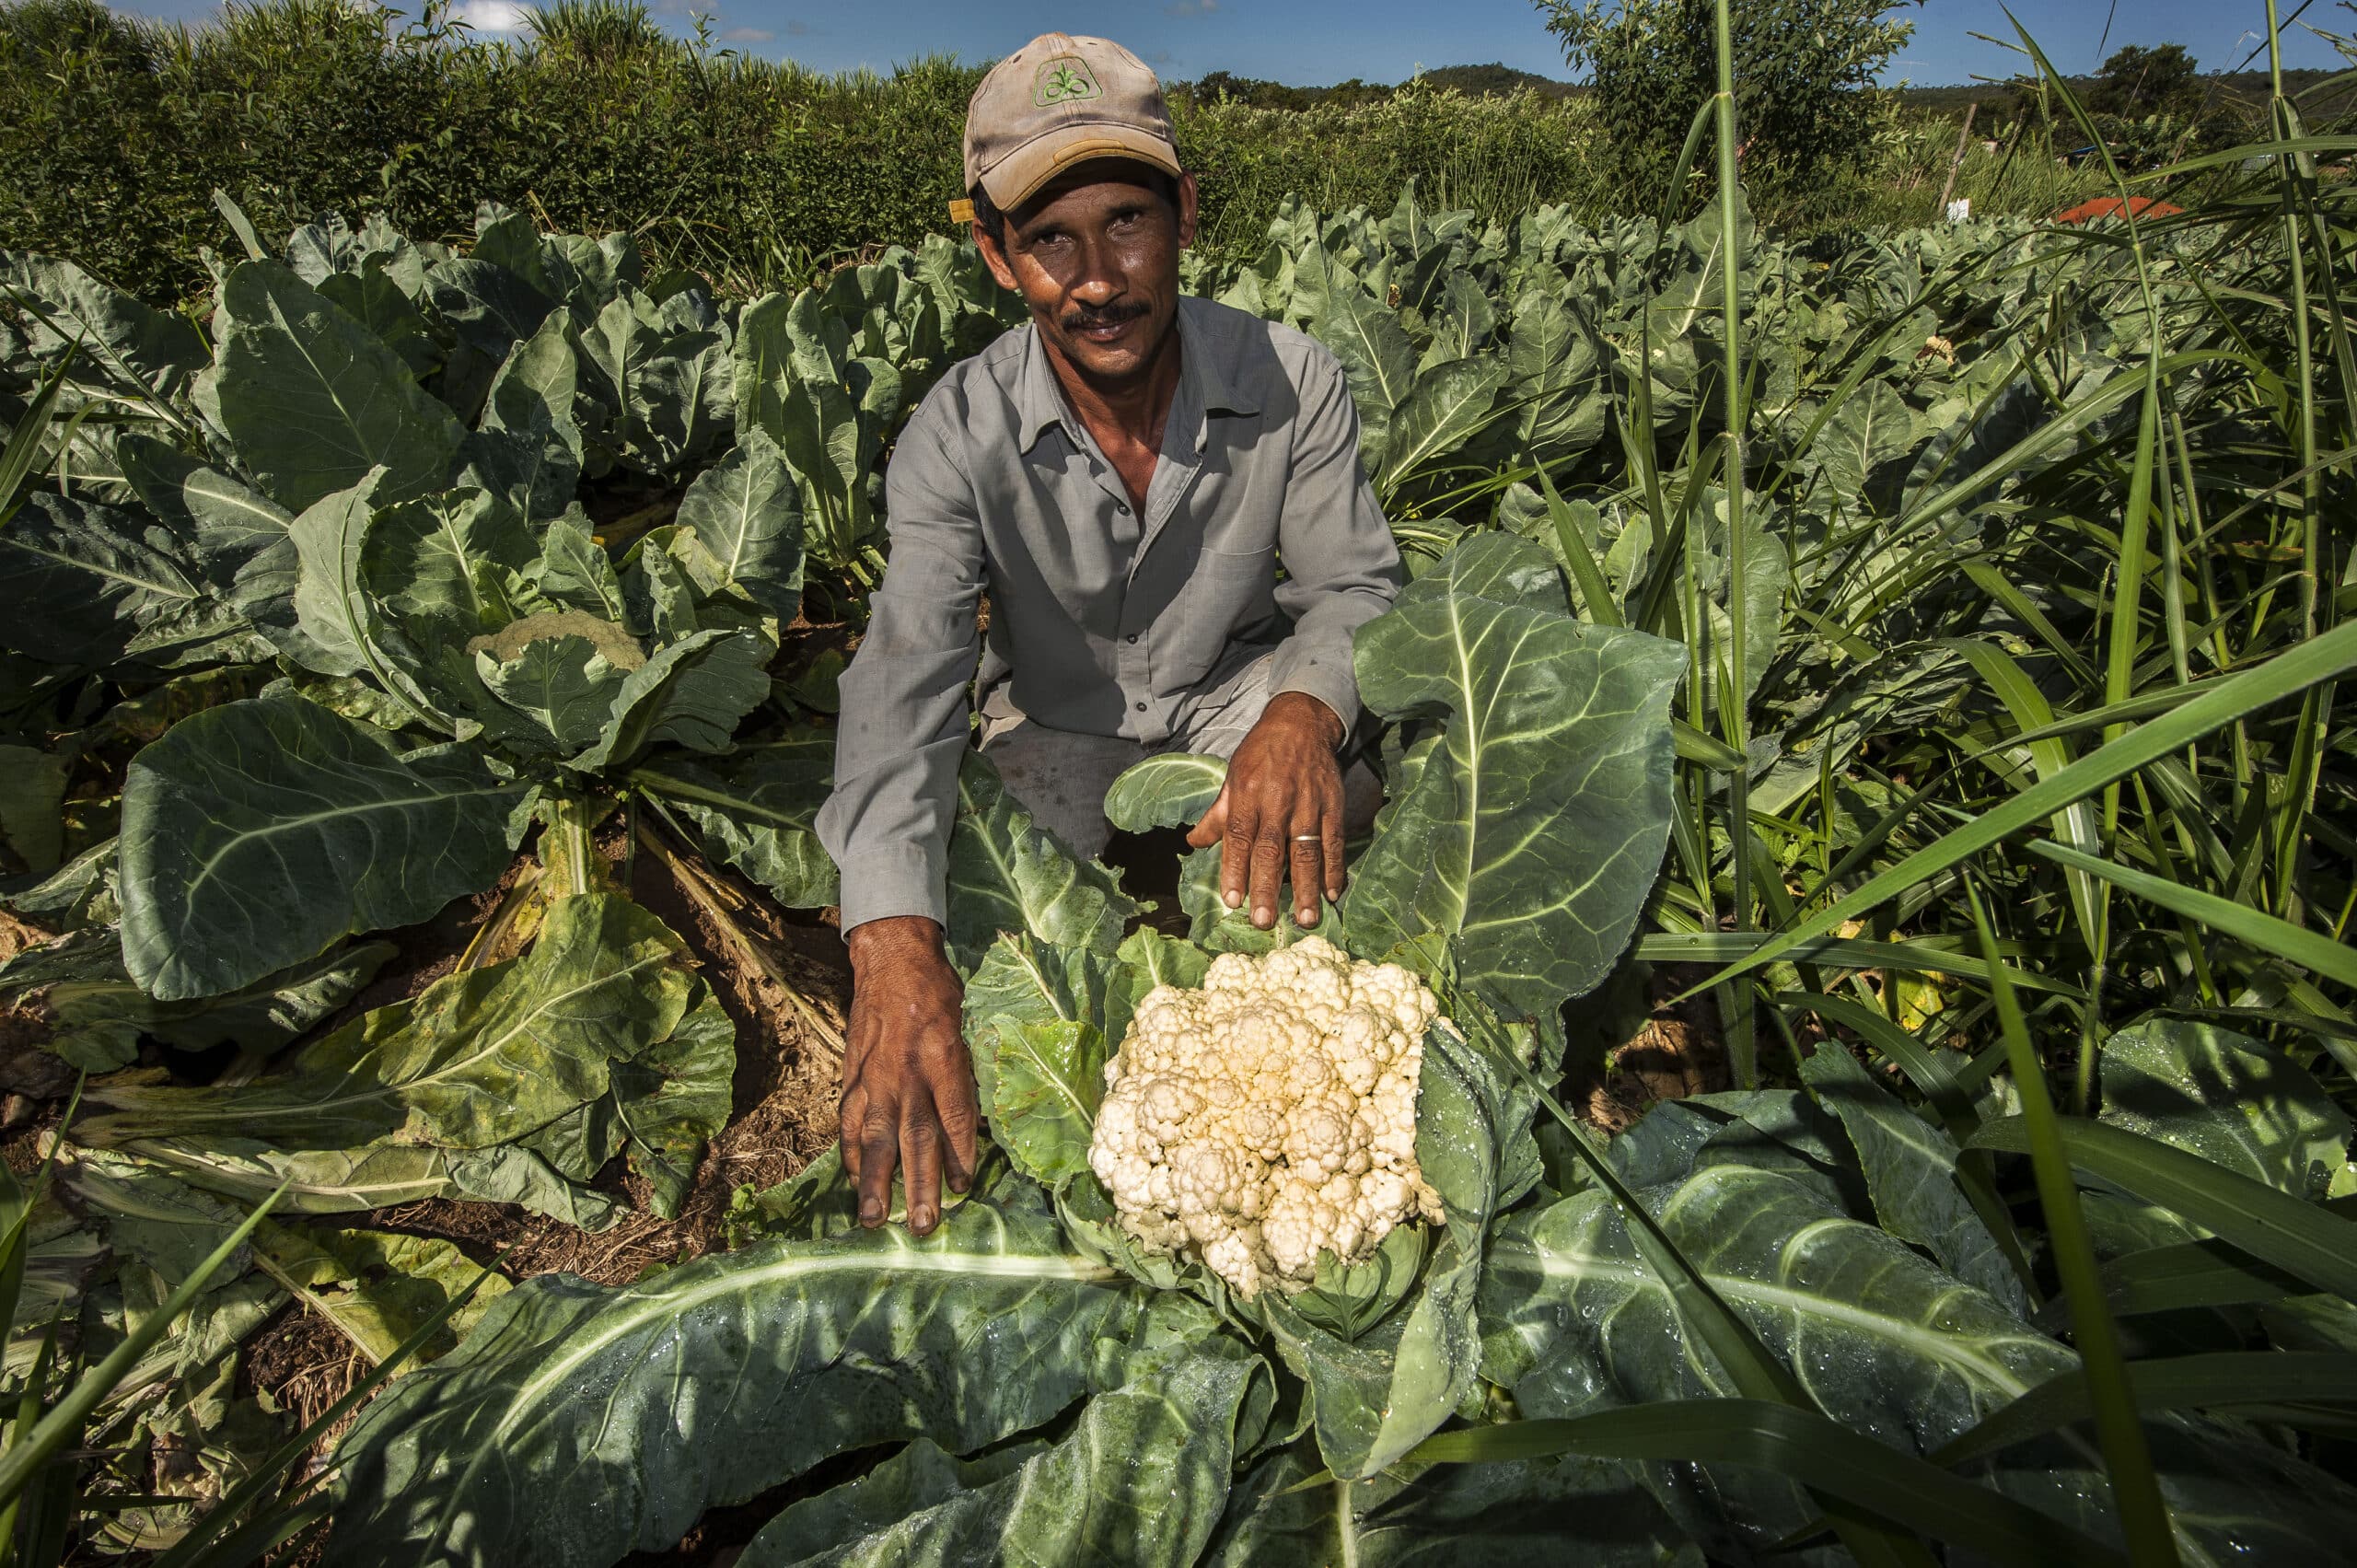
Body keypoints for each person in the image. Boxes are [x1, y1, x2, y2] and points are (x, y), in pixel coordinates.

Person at [813, 32, 1402, 1236]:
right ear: (995, 253)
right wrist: (888, 945)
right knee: (972, 936)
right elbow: (907, 672)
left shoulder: (1293, 381)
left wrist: (1301, 710)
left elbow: (1352, 588)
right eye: (1050, 239)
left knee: (1356, 799)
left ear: (1185, 213)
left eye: (1127, 221)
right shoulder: (955, 433)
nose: (1098, 278)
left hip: (1236, 713)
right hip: (1058, 737)